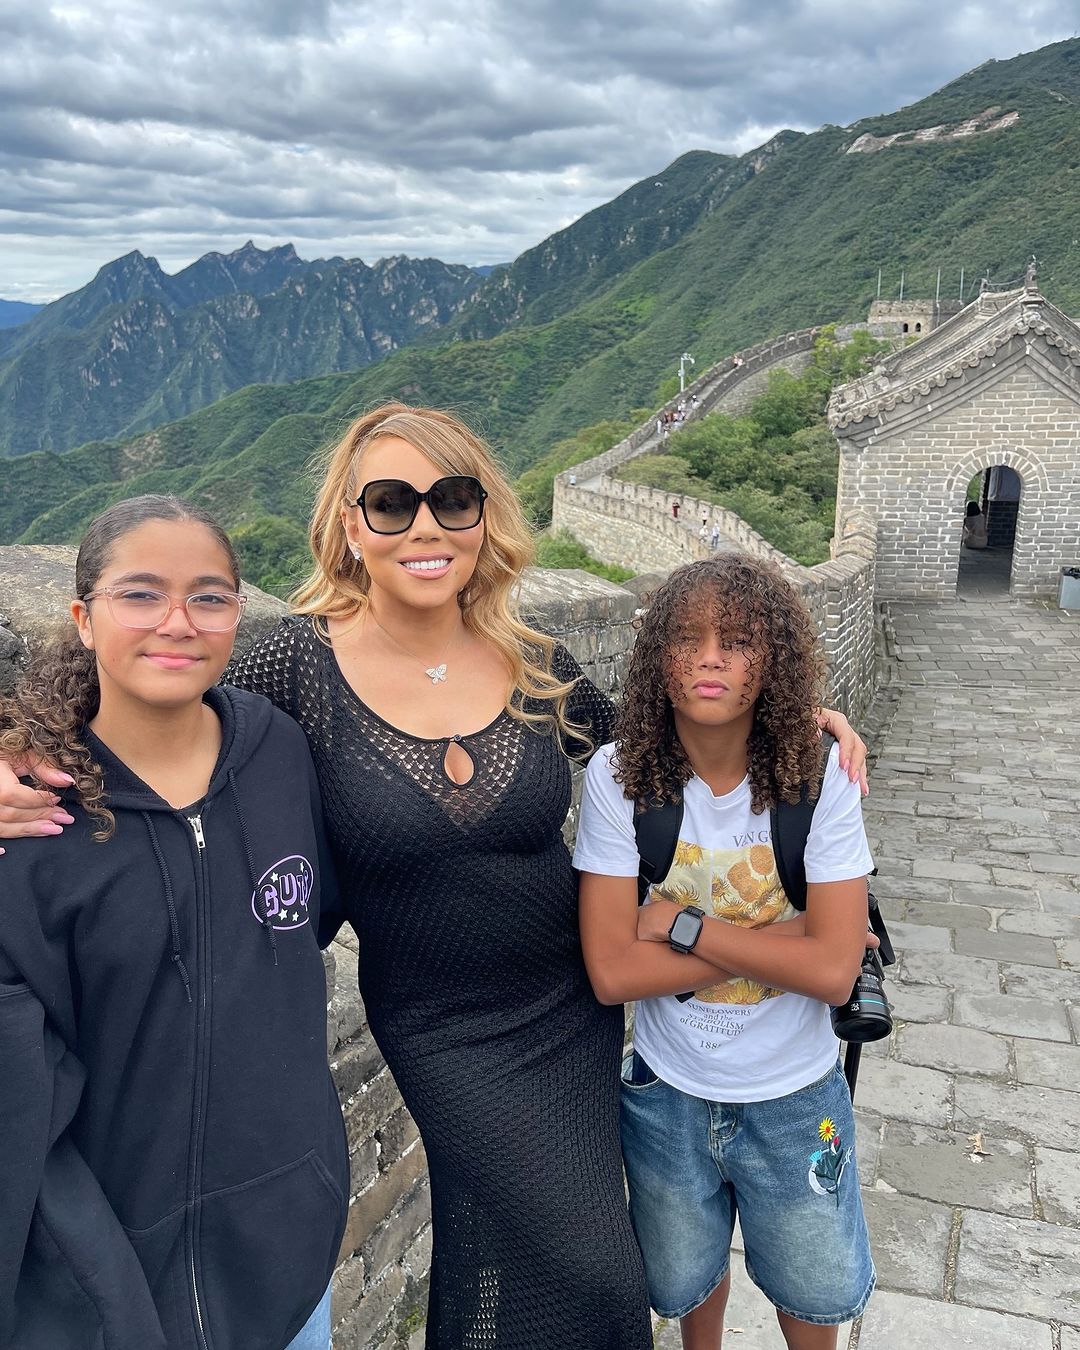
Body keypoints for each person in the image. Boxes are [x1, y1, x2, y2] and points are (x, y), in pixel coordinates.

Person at [0, 406, 868, 1349]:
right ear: (350, 526)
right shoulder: (296, 662)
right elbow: (154, 668)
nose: (424, 525)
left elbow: (665, 744)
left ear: (483, 521)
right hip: (439, 1024)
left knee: (501, 1250)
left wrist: (802, 721)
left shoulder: (534, 665)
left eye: (452, 500)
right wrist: (16, 748)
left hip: (569, 1006)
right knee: (587, 1261)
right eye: (391, 501)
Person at [0, 496, 348, 1350]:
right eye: (140, 594)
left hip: (291, 1256)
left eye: (210, 596)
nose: (178, 623)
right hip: (114, 1294)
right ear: (83, 618)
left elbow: (312, 924)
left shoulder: (278, 751)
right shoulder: (33, 824)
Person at [573, 554, 876, 1350]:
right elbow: (610, 973)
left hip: (795, 1092)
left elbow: (835, 971)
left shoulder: (819, 774)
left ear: (771, 658)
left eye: (738, 640)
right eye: (686, 638)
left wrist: (680, 927)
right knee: (684, 1279)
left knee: (814, 1292)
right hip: (669, 1090)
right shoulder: (621, 776)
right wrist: (788, 943)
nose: (710, 656)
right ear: (658, 657)